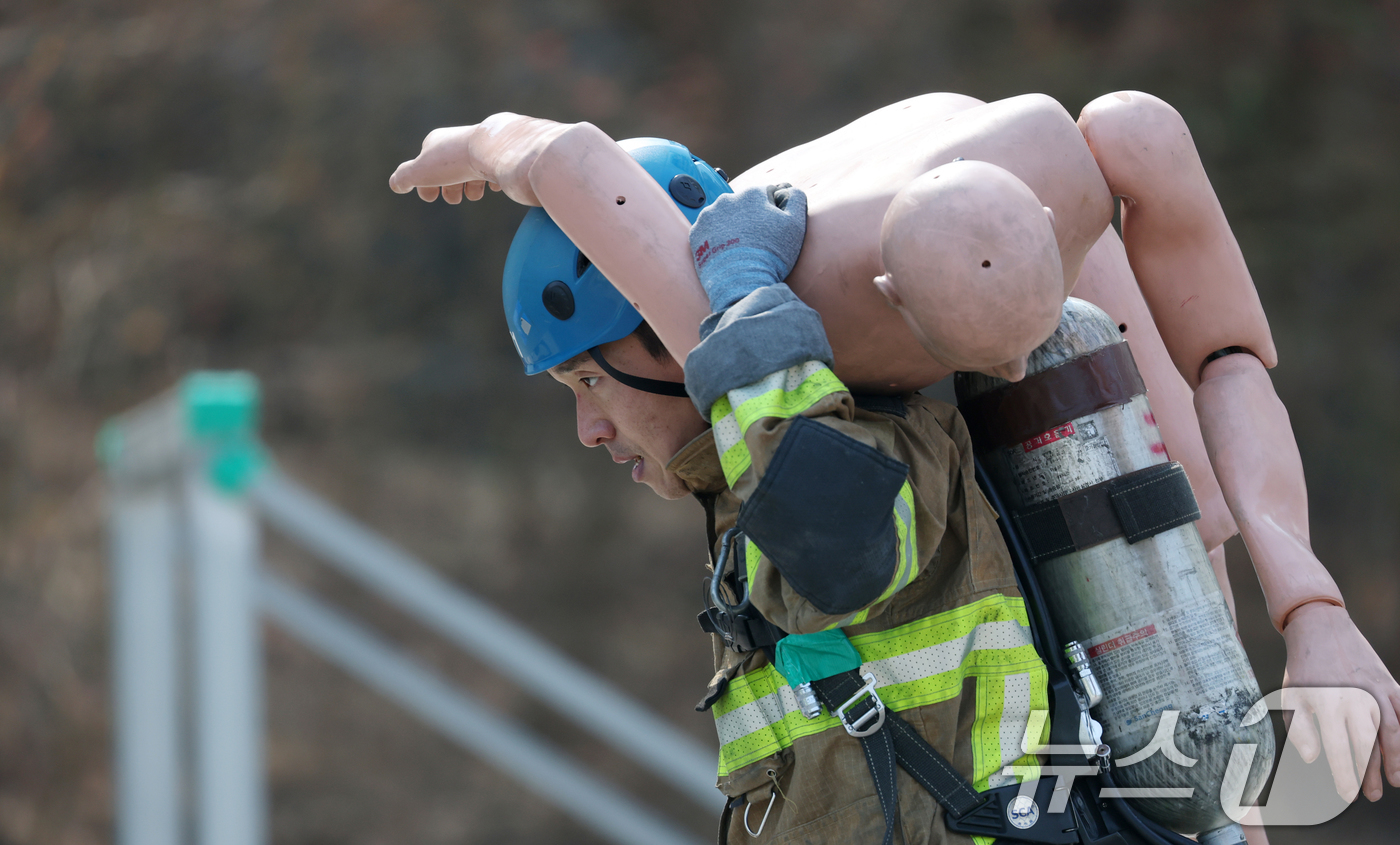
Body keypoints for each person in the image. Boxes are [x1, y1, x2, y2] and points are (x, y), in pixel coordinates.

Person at [389, 94, 1400, 812]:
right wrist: (1310, 611)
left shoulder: (767, 371)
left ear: (659, 334)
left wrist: (475, 142)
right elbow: (1206, 424)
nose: (588, 429)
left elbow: (568, 157)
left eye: (585, 382)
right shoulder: (823, 398)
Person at [514, 138, 1048, 843]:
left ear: (677, 349)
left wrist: (740, 296)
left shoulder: (877, 449)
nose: (587, 429)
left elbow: (839, 549)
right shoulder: (743, 498)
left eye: (588, 379)